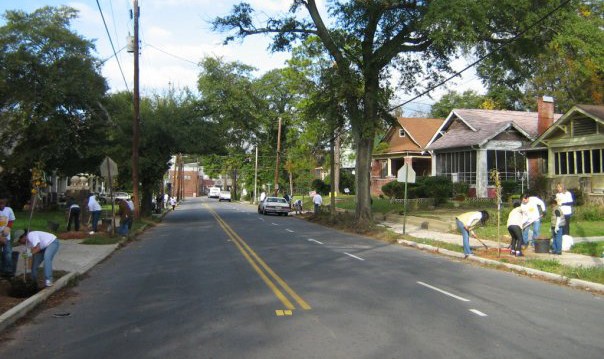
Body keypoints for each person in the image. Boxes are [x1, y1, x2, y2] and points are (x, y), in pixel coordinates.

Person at [0, 199, 16, 278]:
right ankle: (2, 271)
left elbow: (11, 220)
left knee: (7, 254)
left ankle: (8, 272)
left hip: (6, 236)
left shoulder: (9, 210)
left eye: (2, 204)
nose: (1, 206)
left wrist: (8, 228)